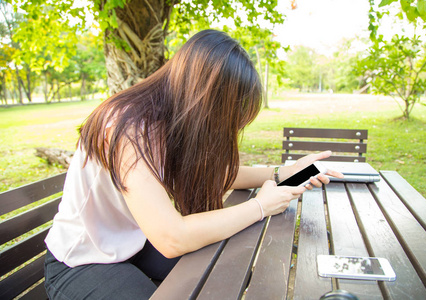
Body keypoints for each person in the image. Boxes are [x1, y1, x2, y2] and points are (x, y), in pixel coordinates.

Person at [44, 29, 342, 299]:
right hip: (82, 259)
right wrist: (260, 206)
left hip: (134, 243)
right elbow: (172, 238)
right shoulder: (127, 126)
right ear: (204, 99)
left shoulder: (167, 120)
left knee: (224, 268)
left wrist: (283, 173)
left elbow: (220, 175)